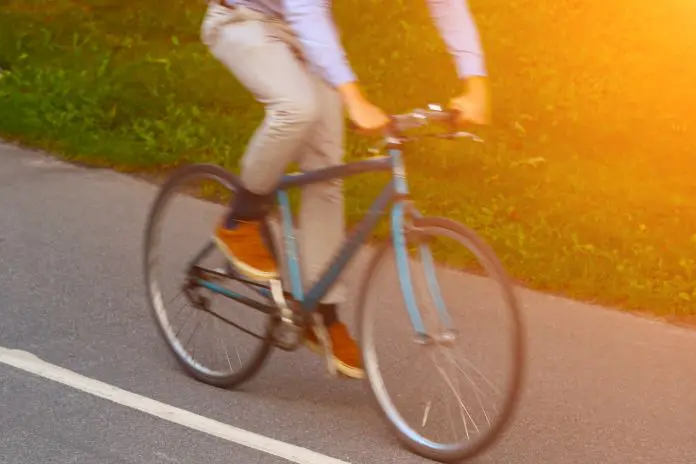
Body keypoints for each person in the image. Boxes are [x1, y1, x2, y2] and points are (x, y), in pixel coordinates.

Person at [201, 0, 491, 379]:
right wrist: (355, 100)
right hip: (242, 19)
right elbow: (307, 12)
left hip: (300, 32)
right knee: (297, 108)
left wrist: (476, 84)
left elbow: (448, 5)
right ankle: (242, 217)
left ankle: (323, 312)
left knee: (327, 168)